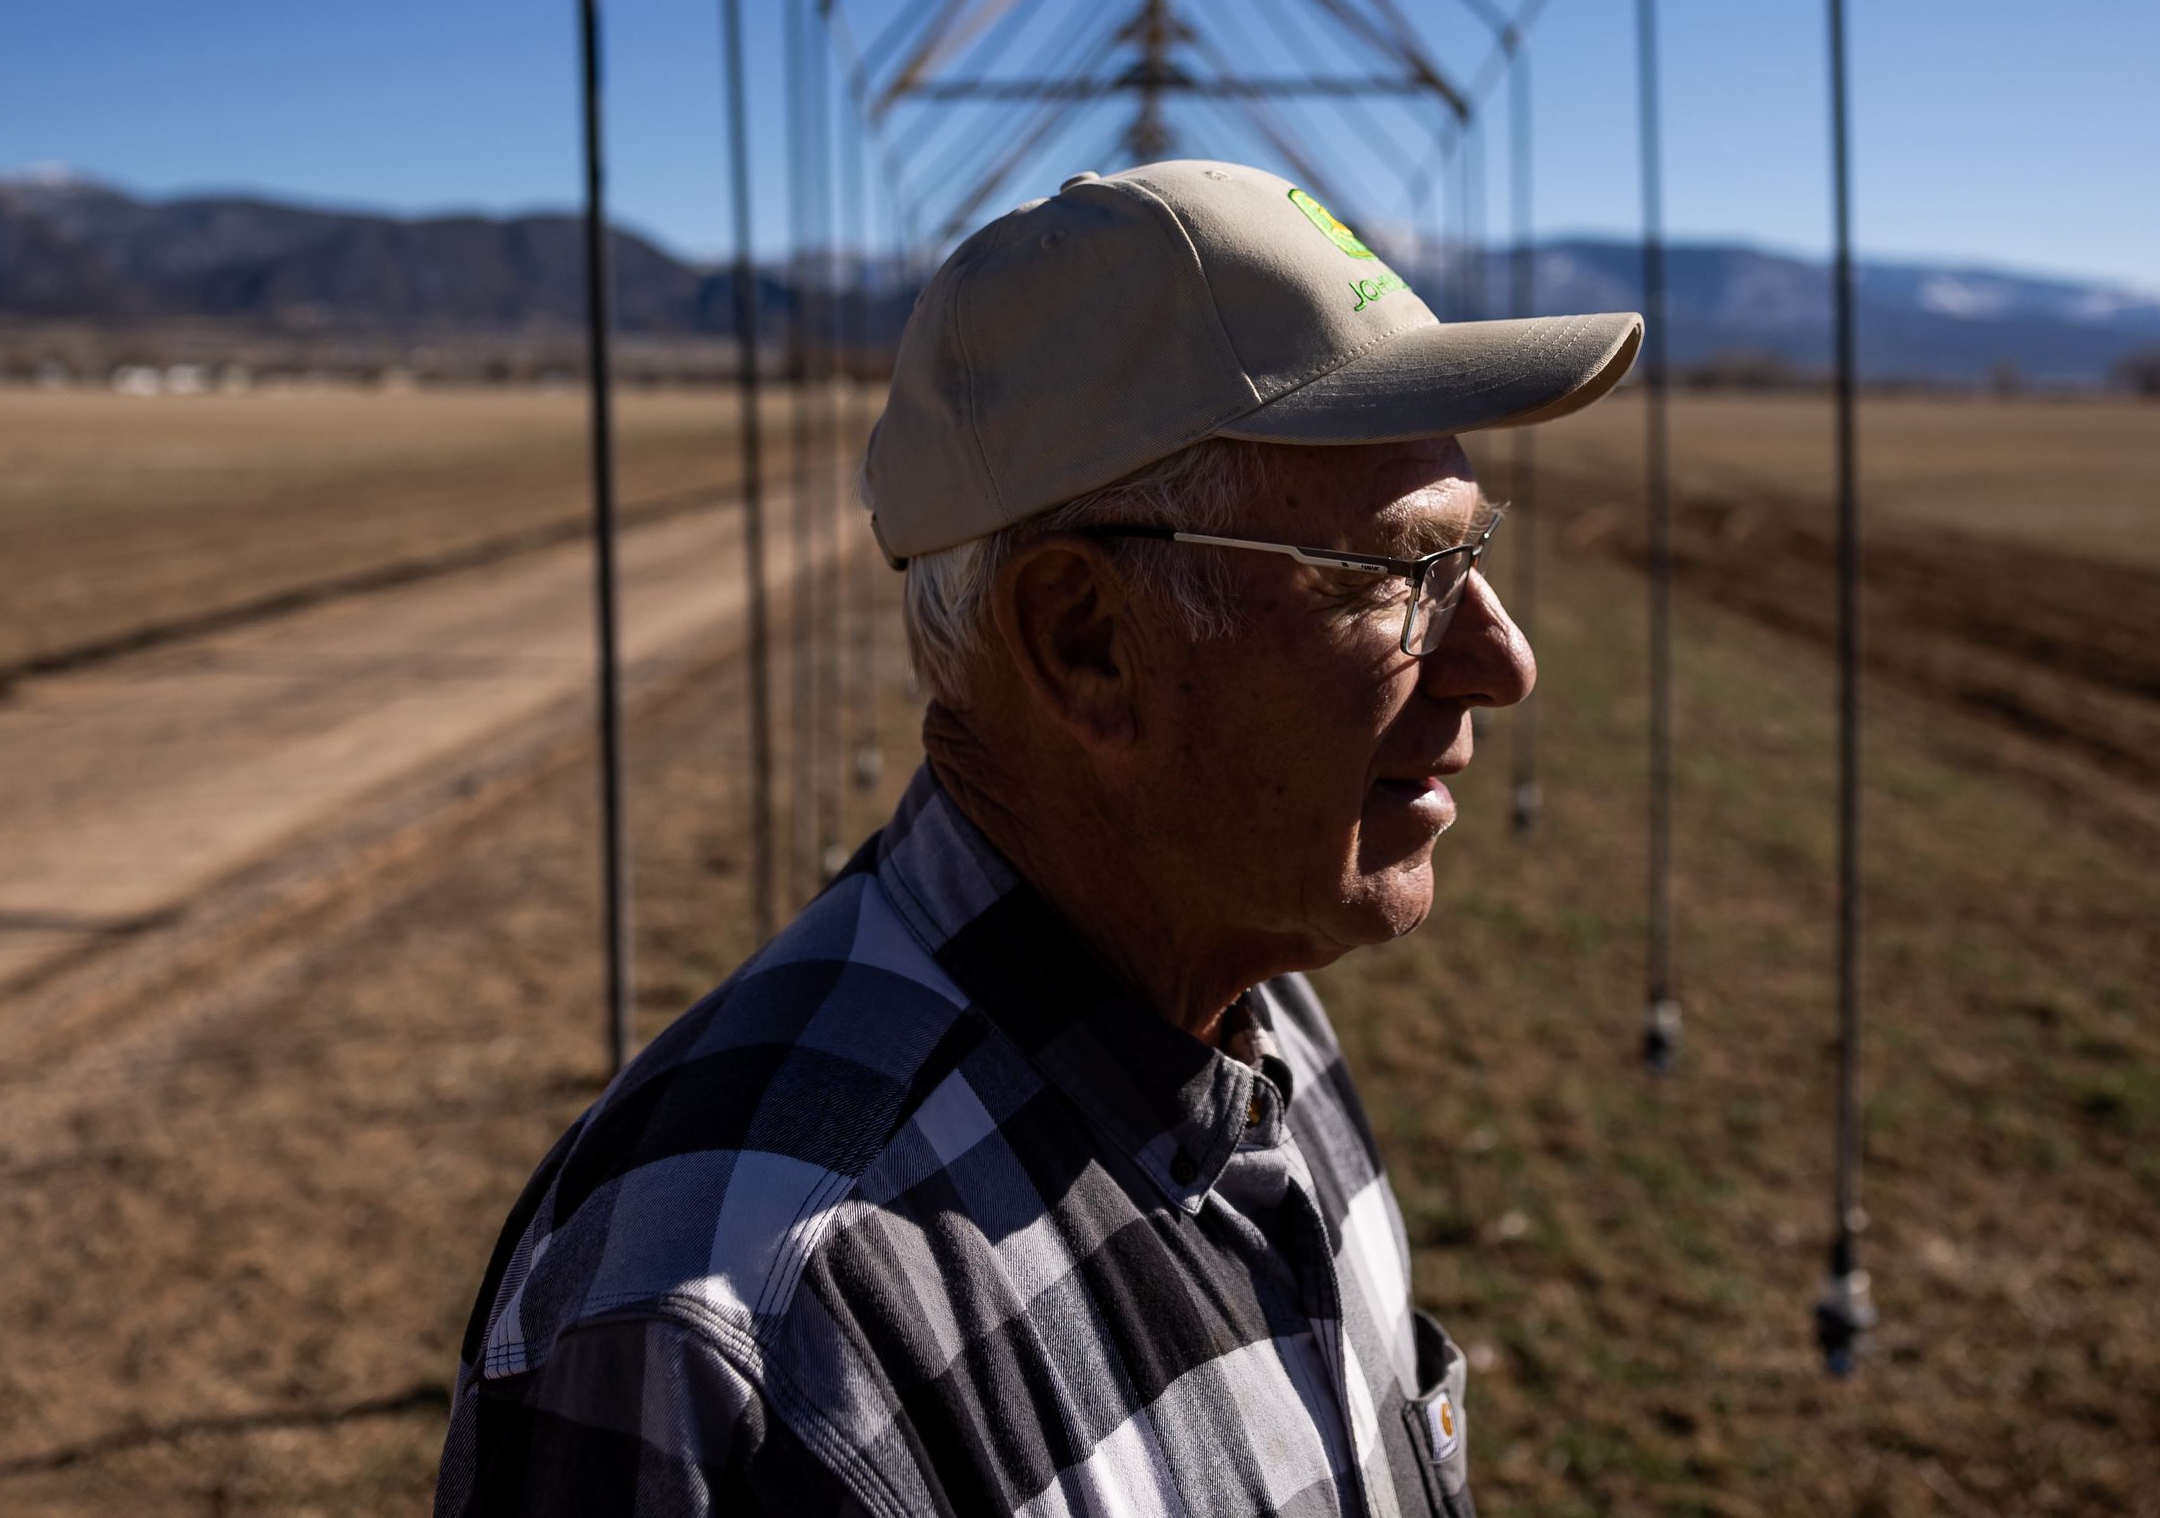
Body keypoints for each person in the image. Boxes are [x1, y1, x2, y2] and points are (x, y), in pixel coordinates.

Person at [438, 161, 1641, 1516]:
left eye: (1477, 555)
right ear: (1085, 645)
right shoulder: (734, 1333)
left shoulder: (1268, 1026)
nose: (1504, 659)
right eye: (1406, 577)